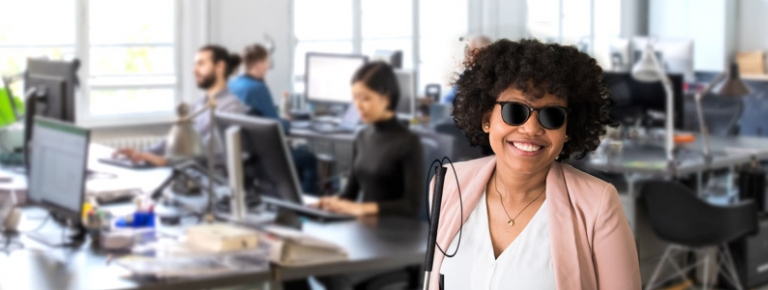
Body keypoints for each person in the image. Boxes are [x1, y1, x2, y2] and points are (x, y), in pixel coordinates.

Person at [430, 39, 640, 289]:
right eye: (515, 111)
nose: (531, 128)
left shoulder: (598, 204)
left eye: (552, 115)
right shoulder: (447, 184)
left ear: (567, 130)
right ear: (487, 118)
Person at [316, 62, 424, 218]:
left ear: (386, 98)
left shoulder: (409, 142)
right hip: (365, 228)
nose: (358, 106)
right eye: (355, 98)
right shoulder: (362, 136)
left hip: (397, 234)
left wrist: (362, 208)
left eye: (365, 98)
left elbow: (412, 206)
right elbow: (349, 194)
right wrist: (329, 203)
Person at [114, 45, 248, 166]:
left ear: (219, 67)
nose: (194, 70)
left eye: (201, 64)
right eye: (195, 64)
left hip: (211, 179)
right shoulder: (199, 105)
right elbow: (176, 141)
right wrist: (140, 153)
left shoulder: (232, 107)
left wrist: (166, 161)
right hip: (186, 173)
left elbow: (209, 148)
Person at [228, 44, 319, 194]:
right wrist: (286, 121)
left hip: (242, 152)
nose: (269, 68)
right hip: (262, 156)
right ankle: (307, 208)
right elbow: (278, 126)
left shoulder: (233, 84)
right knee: (308, 159)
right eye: (267, 63)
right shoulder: (257, 88)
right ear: (259, 65)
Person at [440, 35, 492, 105]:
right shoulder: (466, 75)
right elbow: (447, 100)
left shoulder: (495, 77)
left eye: (471, 51)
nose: (467, 55)